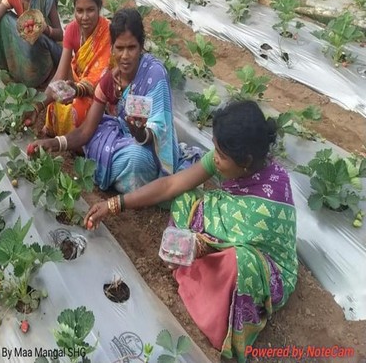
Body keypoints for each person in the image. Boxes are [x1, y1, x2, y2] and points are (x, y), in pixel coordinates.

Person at [85, 100, 298, 362]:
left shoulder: (273, 193)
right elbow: (172, 185)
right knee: (186, 198)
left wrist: (202, 244)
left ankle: (213, 312)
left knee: (239, 263)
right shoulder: (229, 160)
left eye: (221, 154)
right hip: (221, 238)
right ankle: (190, 265)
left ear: (246, 161)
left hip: (256, 262)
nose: (214, 158)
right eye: (216, 150)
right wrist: (115, 204)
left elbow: (248, 246)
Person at [31, 8, 181, 193]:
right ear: (112, 48)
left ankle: (126, 180)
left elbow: (160, 132)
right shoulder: (110, 81)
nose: (125, 56)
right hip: (123, 140)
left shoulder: (154, 74)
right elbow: (85, 131)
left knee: (136, 157)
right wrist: (53, 144)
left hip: (149, 147)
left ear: (141, 46)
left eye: (131, 48)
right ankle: (122, 177)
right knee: (94, 135)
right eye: (119, 48)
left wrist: (140, 133)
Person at [28, 0, 111, 137]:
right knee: (55, 101)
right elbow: (60, 74)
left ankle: (78, 143)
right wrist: (38, 106)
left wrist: (77, 90)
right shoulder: (72, 29)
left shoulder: (108, 32)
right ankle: (57, 135)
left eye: (90, 10)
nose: (85, 17)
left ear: (99, 7)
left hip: (101, 93)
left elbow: (101, 80)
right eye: (79, 11)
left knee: (78, 111)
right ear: (74, 9)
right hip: (76, 84)